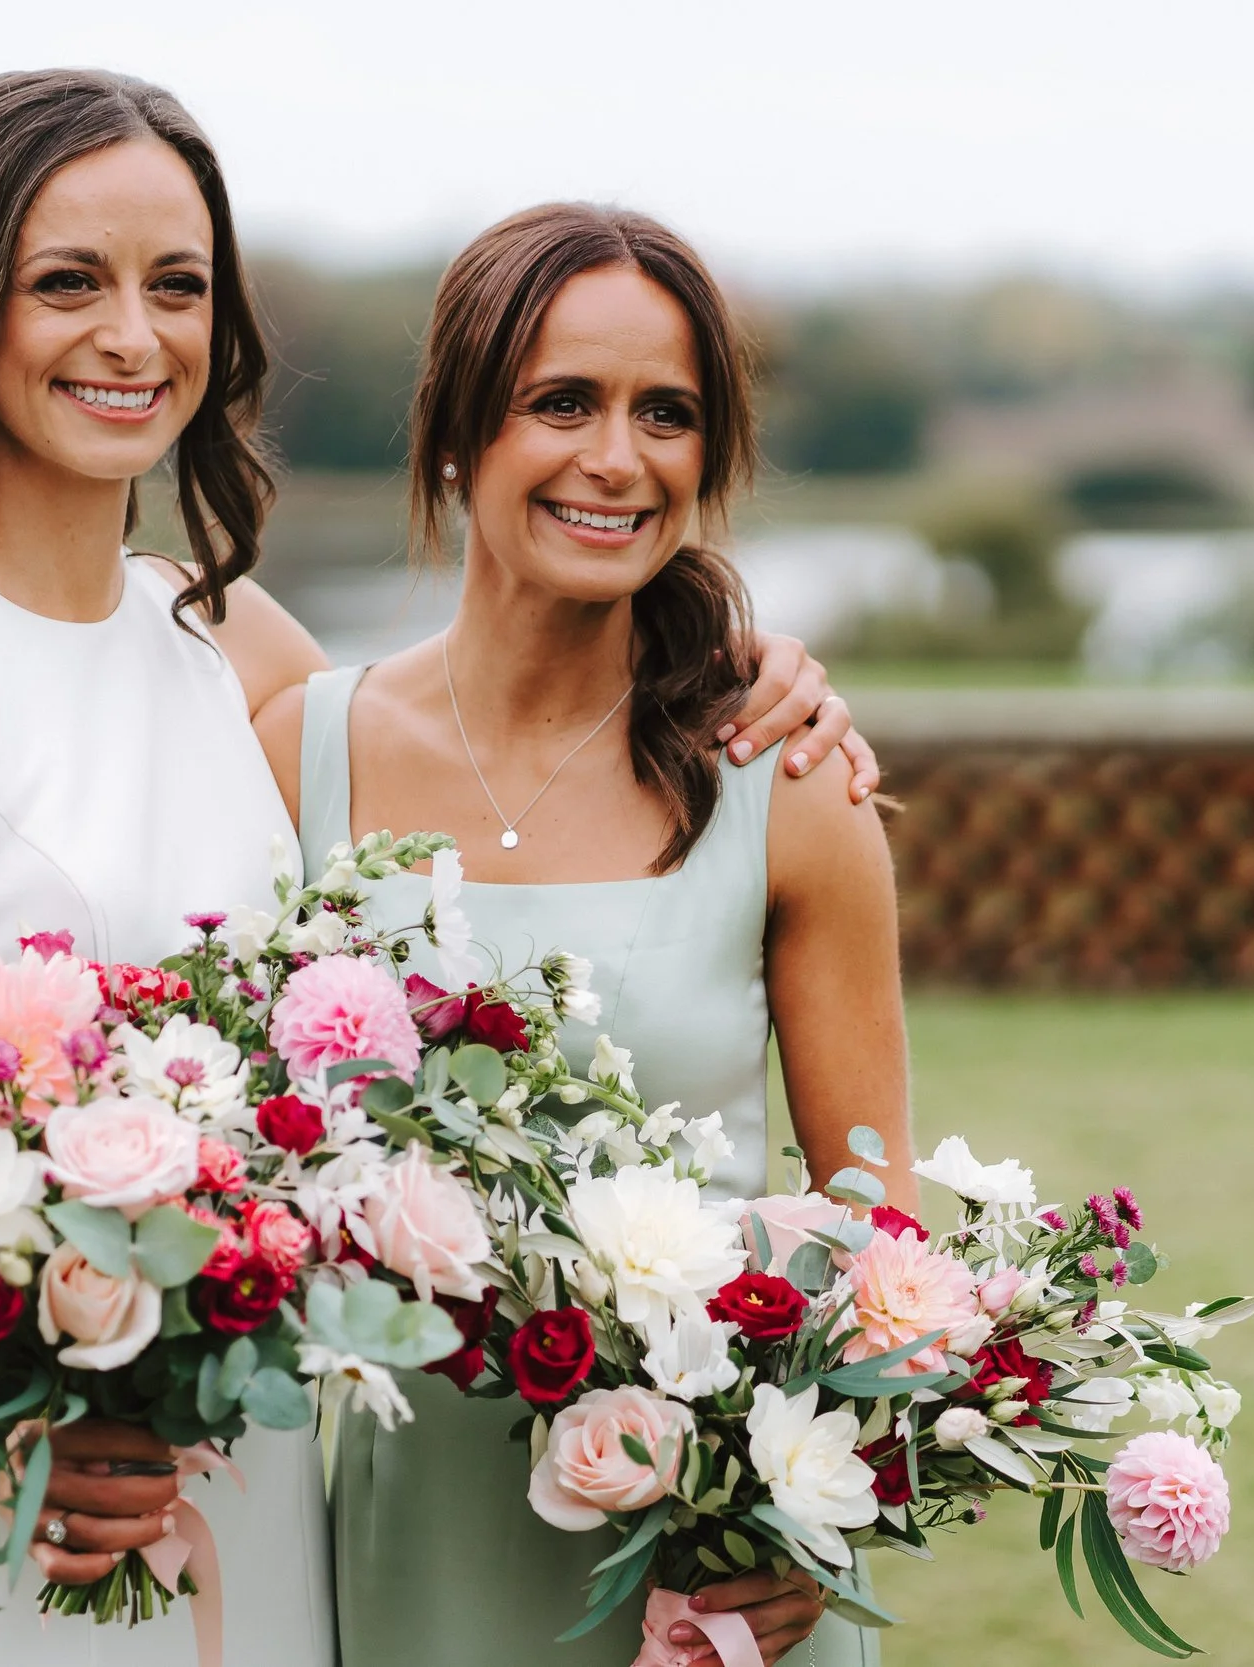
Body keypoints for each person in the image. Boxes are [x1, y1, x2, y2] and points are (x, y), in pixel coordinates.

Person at [0, 72, 874, 1667]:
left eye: (176, 286)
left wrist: (745, 662)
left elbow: (485, 750)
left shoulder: (229, 648)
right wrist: (25, 1406)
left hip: (262, 1484)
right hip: (36, 1502)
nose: (133, 336)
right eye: (69, 282)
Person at [258, 202, 927, 1667]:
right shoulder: (292, 759)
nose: (617, 457)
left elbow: (884, 1230)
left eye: (665, 413)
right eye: (561, 401)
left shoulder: (789, 784)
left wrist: (830, 1510)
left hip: (705, 1576)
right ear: (455, 435)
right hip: (412, 1535)